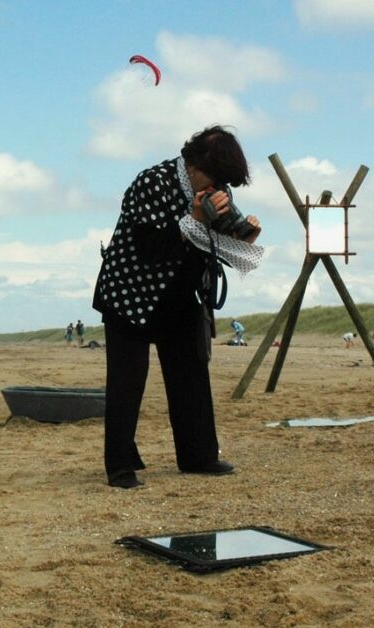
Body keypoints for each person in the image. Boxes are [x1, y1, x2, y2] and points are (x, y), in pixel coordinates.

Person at [92, 125, 265, 489]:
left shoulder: (217, 190)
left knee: (191, 374)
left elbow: (227, 241)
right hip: (129, 293)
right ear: (195, 165)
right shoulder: (152, 182)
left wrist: (246, 233)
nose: (219, 187)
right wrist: (195, 219)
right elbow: (150, 248)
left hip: (180, 294)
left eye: (224, 182)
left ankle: (199, 456)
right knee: (127, 381)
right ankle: (120, 467)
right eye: (216, 178)